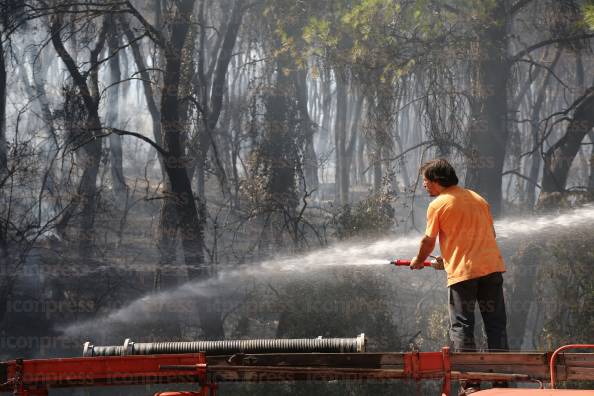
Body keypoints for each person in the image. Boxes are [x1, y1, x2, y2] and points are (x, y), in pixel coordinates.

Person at [410, 159, 509, 395]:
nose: (424, 185)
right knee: (495, 325)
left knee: (463, 326)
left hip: (464, 276)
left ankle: (471, 383)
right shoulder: (477, 198)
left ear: (437, 180)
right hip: (492, 269)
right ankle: (502, 380)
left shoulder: (439, 204)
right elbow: (489, 234)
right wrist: (446, 260)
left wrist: (419, 260)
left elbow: (428, 241)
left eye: (426, 180)